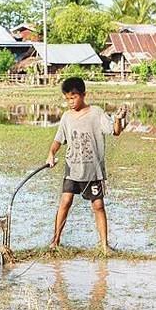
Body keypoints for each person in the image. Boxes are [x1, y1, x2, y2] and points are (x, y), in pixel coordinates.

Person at [46, 77, 127, 253]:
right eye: (67, 98)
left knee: (98, 205)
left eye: (73, 97)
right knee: (65, 201)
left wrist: (118, 119)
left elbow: (115, 131)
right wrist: (51, 153)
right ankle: (55, 241)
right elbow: (58, 139)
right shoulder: (67, 117)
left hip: (93, 170)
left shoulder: (96, 113)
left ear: (83, 95)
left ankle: (105, 245)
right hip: (72, 167)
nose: (70, 102)